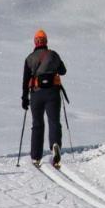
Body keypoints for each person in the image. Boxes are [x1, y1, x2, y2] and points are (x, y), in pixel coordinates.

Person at [22, 29, 67, 168]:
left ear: (35, 42)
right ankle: (55, 144)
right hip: (53, 93)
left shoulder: (29, 58)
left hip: (36, 94)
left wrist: (24, 98)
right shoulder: (53, 55)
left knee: (37, 124)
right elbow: (63, 71)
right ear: (46, 41)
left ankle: (36, 157)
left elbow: (25, 80)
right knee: (54, 121)